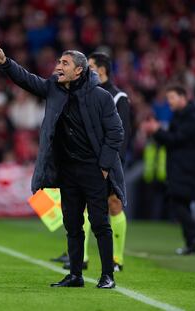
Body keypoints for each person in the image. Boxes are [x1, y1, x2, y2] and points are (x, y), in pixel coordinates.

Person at [0, 45, 126, 288]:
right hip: (67, 170)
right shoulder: (54, 88)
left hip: (94, 169)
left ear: (79, 70)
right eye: (59, 62)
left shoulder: (100, 97)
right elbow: (27, 80)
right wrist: (6, 62)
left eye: (65, 63)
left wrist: (103, 166)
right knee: (72, 224)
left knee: (100, 223)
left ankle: (107, 276)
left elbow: (116, 133)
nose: (58, 66)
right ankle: (76, 275)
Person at [54, 52, 129, 272]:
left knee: (111, 207)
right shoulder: (83, 93)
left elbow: (120, 134)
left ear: (102, 70)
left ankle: (117, 259)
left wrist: (111, 167)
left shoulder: (117, 97)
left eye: (92, 66)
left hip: (107, 164)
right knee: (82, 210)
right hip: (85, 165)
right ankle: (81, 257)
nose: (88, 69)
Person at [141, 84, 195, 255]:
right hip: (180, 167)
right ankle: (192, 244)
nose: (169, 102)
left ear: (183, 98)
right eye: (168, 98)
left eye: (172, 97)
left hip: (188, 168)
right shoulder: (180, 116)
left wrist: (158, 130)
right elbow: (171, 140)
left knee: (177, 202)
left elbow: (176, 139)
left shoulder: (192, 118)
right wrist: (156, 132)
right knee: (182, 204)